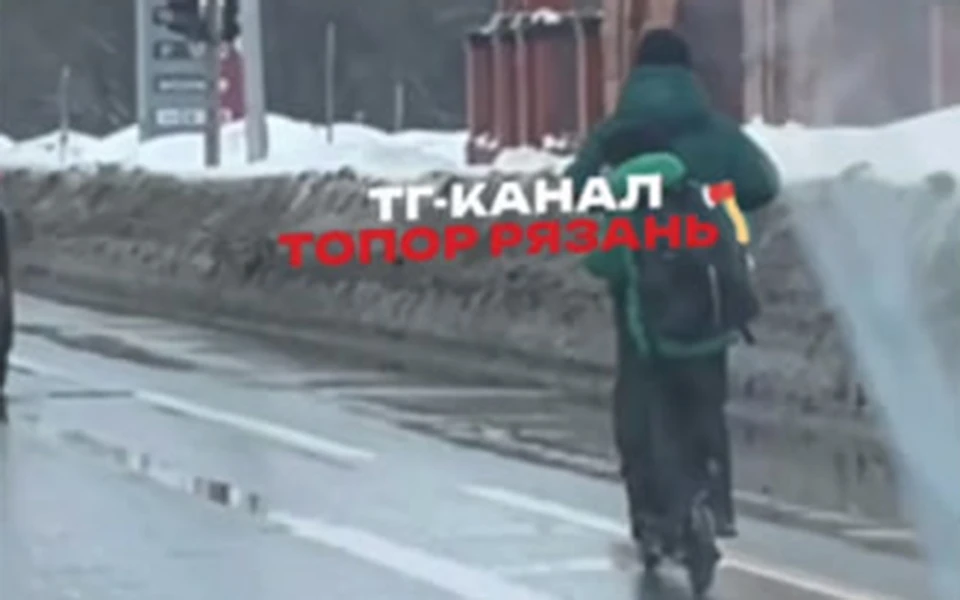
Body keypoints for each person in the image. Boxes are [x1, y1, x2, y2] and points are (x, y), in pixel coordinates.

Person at [566, 27, 780, 540]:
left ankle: (651, 511)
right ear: (689, 73)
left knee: (640, 397)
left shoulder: (615, 134)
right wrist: (717, 204)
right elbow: (762, 184)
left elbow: (576, 188)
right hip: (708, 281)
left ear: (636, 73)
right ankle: (714, 502)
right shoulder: (716, 131)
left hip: (640, 286)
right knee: (704, 394)